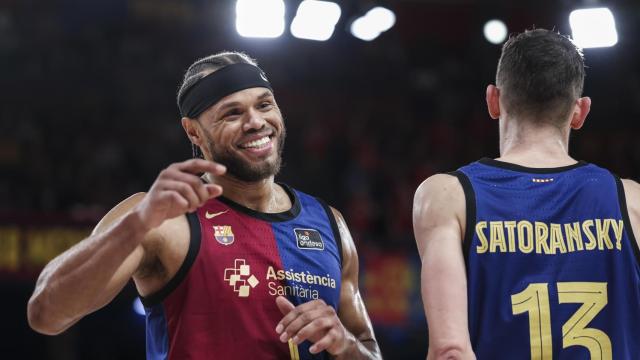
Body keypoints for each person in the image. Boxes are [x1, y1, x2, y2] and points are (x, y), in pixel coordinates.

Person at [27, 51, 382, 360]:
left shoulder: (328, 222)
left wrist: (345, 344)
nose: (256, 122)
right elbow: (46, 313)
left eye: (264, 104)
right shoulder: (160, 217)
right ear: (194, 132)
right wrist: (136, 226)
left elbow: (368, 350)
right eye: (232, 113)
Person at [413, 29, 640, 359]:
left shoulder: (448, 196)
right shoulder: (631, 201)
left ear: (493, 100)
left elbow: (450, 351)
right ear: (580, 112)